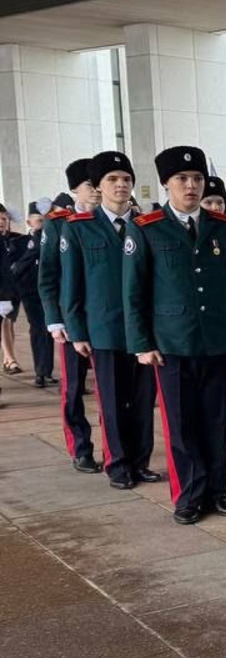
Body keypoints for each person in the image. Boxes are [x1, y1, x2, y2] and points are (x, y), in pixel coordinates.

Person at [124, 146, 226, 524]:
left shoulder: (223, 227)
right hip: (171, 343)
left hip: (217, 339)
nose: (191, 186)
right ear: (166, 184)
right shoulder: (146, 227)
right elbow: (134, 290)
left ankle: (217, 490)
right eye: (182, 179)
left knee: (215, 421)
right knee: (181, 425)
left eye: (197, 179)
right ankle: (188, 495)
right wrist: (141, 343)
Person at [60, 150, 159, 490]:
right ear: (99, 187)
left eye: (126, 180)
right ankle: (118, 463)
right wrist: (76, 331)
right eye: (113, 180)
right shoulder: (79, 229)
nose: (121, 185)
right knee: (114, 403)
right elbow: (70, 284)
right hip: (105, 330)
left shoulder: (148, 226)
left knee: (144, 401)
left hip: (145, 330)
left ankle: (140, 460)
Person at [42, 169, 100, 472]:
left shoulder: (113, 220)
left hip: (107, 318)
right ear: (74, 190)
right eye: (90, 185)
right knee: (74, 387)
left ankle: (118, 447)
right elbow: (48, 276)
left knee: (113, 389)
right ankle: (80, 447)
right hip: (71, 320)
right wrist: (54, 320)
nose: (96, 190)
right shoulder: (58, 224)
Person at [11, 203, 52, 386]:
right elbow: (15, 269)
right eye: (38, 221)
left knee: (51, 330)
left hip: (50, 292)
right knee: (38, 329)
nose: (42, 224)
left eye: (45, 220)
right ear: (29, 222)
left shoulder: (52, 239)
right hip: (31, 293)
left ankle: (47, 370)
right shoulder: (20, 243)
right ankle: (40, 372)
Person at [0, 207, 19, 375]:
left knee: (8, 324)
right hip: (2, 292)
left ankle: (8, 359)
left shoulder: (11, 240)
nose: (1, 222)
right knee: (4, 324)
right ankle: (10, 358)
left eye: (4, 219)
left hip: (9, 290)